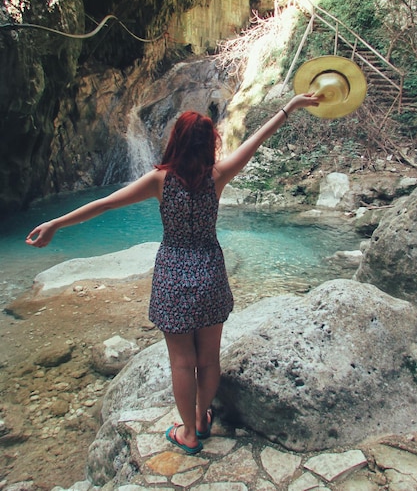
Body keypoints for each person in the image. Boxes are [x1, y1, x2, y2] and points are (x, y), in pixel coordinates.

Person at [26, 92, 320, 454]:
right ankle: (201, 418)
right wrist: (290, 106)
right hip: (210, 269)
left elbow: (103, 204)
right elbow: (257, 139)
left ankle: (189, 436)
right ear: (210, 143)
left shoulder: (160, 181)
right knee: (209, 358)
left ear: (175, 141)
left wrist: (55, 224)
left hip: (173, 273)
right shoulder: (219, 175)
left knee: (182, 362)